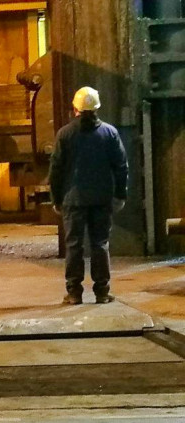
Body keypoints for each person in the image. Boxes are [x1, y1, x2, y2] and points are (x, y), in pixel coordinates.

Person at [49, 85, 129, 305]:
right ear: (97, 108)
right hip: (101, 200)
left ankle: (74, 293)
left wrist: (56, 198)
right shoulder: (109, 133)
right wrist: (120, 194)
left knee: (74, 245)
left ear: (75, 108)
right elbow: (121, 166)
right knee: (100, 244)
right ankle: (102, 292)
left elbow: (55, 169)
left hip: (73, 200)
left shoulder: (65, 134)